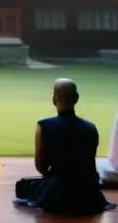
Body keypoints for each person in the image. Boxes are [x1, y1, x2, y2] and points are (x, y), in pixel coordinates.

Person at [15, 78, 109, 215]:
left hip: (58, 194)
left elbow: (41, 166)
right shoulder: (91, 128)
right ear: (76, 99)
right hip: (89, 194)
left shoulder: (44, 126)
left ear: (54, 99)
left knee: (24, 187)